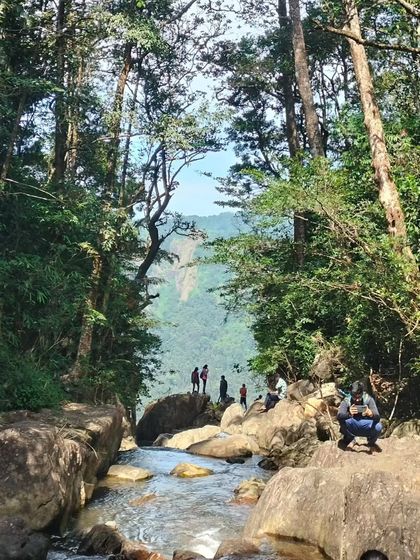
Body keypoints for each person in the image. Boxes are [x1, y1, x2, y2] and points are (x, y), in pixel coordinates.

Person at [337, 381, 383, 452]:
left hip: (366, 425)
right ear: (351, 394)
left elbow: (377, 417)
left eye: (359, 397)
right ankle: (351, 439)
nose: (357, 400)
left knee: (378, 427)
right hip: (352, 424)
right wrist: (349, 414)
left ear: (362, 393)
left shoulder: (369, 399)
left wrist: (371, 414)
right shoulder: (346, 401)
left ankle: (371, 443)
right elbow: (339, 416)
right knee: (343, 420)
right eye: (355, 397)